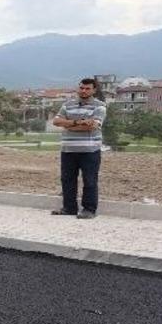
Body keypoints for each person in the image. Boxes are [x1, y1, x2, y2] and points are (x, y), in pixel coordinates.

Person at [50, 78, 106, 219]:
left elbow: (93, 126)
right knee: (67, 179)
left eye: (87, 88)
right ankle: (69, 208)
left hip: (90, 151)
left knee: (90, 180)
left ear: (94, 90)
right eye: (81, 88)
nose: (84, 91)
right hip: (68, 150)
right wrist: (78, 122)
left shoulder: (99, 106)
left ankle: (89, 210)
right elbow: (56, 121)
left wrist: (68, 124)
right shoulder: (67, 105)